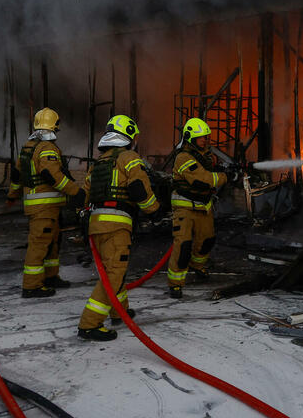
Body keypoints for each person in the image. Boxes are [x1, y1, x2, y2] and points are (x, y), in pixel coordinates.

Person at [77, 115, 159, 341]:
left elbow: (84, 195)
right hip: (117, 223)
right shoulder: (129, 157)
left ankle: (118, 310)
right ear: (129, 136)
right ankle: (89, 324)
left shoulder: (99, 162)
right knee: (113, 274)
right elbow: (138, 188)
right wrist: (155, 209)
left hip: (96, 223)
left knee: (113, 269)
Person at [7, 108, 85, 298]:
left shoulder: (28, 147)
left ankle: (50, 277)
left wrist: (13, 195)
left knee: (52, 243)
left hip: (45, 207)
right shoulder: (47, 148)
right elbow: (53, 176)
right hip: (44, 207)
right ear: (54, 126)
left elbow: (17, 175)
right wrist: (77, 192)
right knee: (40, 244)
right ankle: (32, 286)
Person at [166, 117, 233, 299]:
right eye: (201, 137)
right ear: (190, 138)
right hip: (184, 208)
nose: (206, 140)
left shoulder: (206, 156)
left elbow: (211, 172)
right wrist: (225, 177)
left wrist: (229, 171)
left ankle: (197, 266)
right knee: (184, 245)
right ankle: (176, 283)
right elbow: (201, 178)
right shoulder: (183, 157)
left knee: (207, 240)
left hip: (204, 206)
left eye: (206, 137)